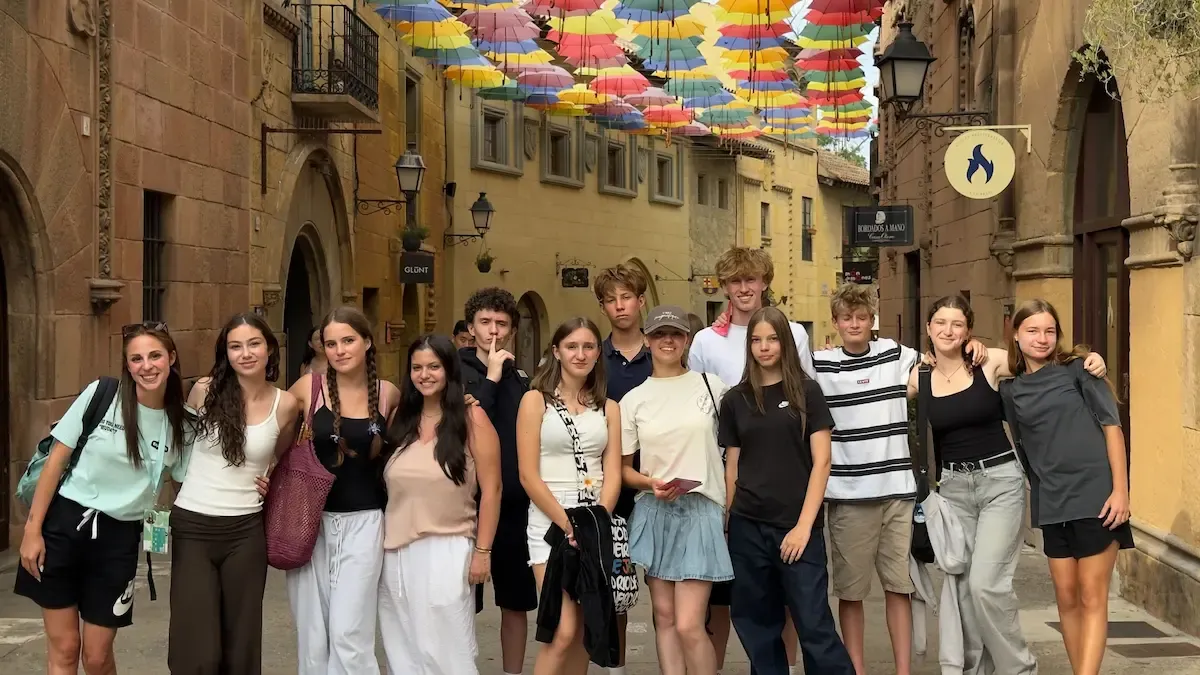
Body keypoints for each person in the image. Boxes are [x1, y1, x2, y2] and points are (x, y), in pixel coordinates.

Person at [913, 296, 1107, 674]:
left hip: (999, 481)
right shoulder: (918, 377)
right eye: (941, 323)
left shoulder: (990, 362)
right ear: (929, 328)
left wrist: (1092, 359)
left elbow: (1042, 358)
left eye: (957, 324)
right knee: (965, 593)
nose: (948, 331)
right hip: (953, 489)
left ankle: (1020, 669)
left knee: (987, 584)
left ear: (969, 330)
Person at [813, 283, 985, 675]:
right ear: (835, 321)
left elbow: (939, 359)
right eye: (846, 318)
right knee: (851, 592)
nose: (854, 324)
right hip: (848, 496)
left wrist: (974, 347)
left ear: (871, 320)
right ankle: (856, 669)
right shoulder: (820, 364)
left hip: (897, 492)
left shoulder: (895, 353)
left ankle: (903, 670)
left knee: (900, 587)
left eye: (861, 317)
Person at [16, 321, 198, 675]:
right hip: (63, 527)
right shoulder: (103, 395)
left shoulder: (184, 424)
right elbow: (56, 461)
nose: (146, 366)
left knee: (97, 657)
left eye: (155, 356)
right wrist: (32, 530)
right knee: (65, 648)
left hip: (118, 540)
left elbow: (187, 485)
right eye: (136, 359)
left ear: (171, 358)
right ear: (127, 365)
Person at [694, 247, 813, 671]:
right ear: (725, 287)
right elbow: (697, 406)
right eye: (735, 282)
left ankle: (787, 667)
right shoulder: (706, 341)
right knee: (728, 593)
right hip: (727, 473)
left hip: (783, 478)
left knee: (789, 592)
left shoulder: (793, 334)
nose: (744, 289)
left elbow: (805, 399)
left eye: (751, 280)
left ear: (765, 282)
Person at [721, 307, 854, 675]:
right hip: (748, 527)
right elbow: (732, 466)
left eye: (772, 339)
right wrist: (730, 523)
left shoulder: (807, 393)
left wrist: (803, 527)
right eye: (756, 340)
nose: (764, 347)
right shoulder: (735, 400)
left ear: (785, 343)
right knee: (757, 625)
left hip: (797, 528)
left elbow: (822, 463)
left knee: (814, 624)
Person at [1004, 299, 1131, 675]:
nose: (1042, 338)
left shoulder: (1079, 370)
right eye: (1032, 330)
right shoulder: (1010, 389)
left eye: (1049, 330)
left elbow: (1112, 427)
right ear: (1016, 335)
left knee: (1092, 595)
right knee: (1066, 598)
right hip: (1052, 501)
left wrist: (1121, 491)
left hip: (1097, 496)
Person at [170, 313, 300, 674]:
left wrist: (269, 479)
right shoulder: (204, 391)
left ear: (270, 348)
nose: (245, 353)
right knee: (197, 650)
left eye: (254, 344)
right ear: (225, 353)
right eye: (235, 346)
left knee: (241, 646)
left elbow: (278, 457)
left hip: (245, 531)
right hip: (194, 526)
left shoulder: (286, 405)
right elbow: (180, 451)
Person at [286, 306, 402, 675]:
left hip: (366, 522)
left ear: (367, 342)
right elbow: (268, 431)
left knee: (349, 632)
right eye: (331, 343)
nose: (339, 350)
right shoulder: (308, 389)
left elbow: (410, 443)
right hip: (310, 523)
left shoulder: (388, 395)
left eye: (348, 340)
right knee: (313, 633)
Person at [378, 334, 502, 674]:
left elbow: (493, 490)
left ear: (449, 370)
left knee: (448, 649)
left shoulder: (472, 419)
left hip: (448, 549)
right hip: (396, 552)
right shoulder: (399, 421)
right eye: (417, 367)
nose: (425, 375)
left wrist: (483, 552)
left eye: (434, 366)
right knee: (402, 647)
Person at [622, 305, 734, 675]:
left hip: (702, 509)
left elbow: (736, 448)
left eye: (675, 334)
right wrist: (649, 483)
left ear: (686, 339)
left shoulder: (712, 386)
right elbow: (622, 469)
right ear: (647, 340)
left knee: (689, 624)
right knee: (665, 617)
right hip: (655, 509)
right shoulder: (634, 399)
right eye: (659, 334)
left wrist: (730, 506)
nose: (667, 341)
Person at [517, 317, 623, 675]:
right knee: (562, 630)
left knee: (584, 629)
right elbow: (528, 474)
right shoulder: (535, 401)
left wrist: (596, 522)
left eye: (588, 346)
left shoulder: (608, 408)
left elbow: (612, 472)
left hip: (594, 517)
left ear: (598, 353)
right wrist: (568, 525)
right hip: (550, 519)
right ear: (557, 352)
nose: (580, 354)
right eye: (572, 346)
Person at [459, 287, 540, 675]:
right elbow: (469, 424)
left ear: (511, 330)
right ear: (471, 327)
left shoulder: (520, 376)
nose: (493, 330)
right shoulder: (454, 371)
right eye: (485, 322)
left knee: (515, 602)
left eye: (501, 323)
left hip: (515, 505)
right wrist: (489, 378)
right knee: (461, 602)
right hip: (467, 505)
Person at [593, 263, 653, 675]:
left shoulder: (663, 350)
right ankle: (616, 668)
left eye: (626, 297)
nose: (620, 306)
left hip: (659, 485)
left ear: (640, 300)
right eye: (611, 300)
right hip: (610, 488)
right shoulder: (594, 358)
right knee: (616, 585)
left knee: (668, 587)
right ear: (603, 307)